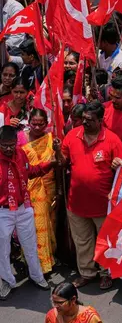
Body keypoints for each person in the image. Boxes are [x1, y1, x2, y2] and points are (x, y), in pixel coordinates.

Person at [60, 101, 122, 290]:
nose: (85, 123)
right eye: (84, 119)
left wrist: (118, 165)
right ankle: (87, 273)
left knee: (105, 241)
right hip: (77, 203)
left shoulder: (112, 140)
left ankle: (107, 273)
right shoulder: (72, 135)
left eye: (90, 120)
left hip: (103, 205)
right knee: (82, 241)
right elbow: (63, 162)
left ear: (100, 121)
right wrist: (58, 152)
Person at [0, 125, 52, 299]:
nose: (8, 148)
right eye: (4, 145)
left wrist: (49, 164)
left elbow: (32, 171)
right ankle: (7, 281)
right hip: (3, 212)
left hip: (23, 208)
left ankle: (37, 277)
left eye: (11, 144)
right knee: (3, 249)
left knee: (30, 245)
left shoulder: (21, 154)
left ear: (16, 142)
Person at [21, 109, 57, 274]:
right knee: (34, 226)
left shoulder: (51, 139)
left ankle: (49, 257)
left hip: (49, 187)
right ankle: (40, 264)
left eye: (40, 124)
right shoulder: (21, 138)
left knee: (49, 224)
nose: (36, 127)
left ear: (46, 123)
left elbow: (59, 164)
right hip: (30, 188)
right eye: (33, 123)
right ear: (29, 122)